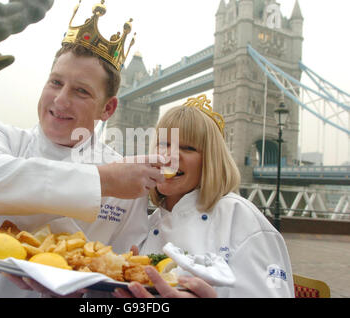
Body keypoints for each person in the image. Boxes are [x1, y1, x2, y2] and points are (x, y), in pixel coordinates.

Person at [0, 2, 166, 297]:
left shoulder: (125, 176)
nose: (61, 100)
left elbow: (123, 272)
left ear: (108, 108)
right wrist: (104, 181)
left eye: (81, 91)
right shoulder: (5, 139)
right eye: (56, 82)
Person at [113, 96, 295, 298]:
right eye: (163, 144)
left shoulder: (239, 217)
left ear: (211, 161)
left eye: (187, 148)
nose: (169, 156)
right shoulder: (143, 223)